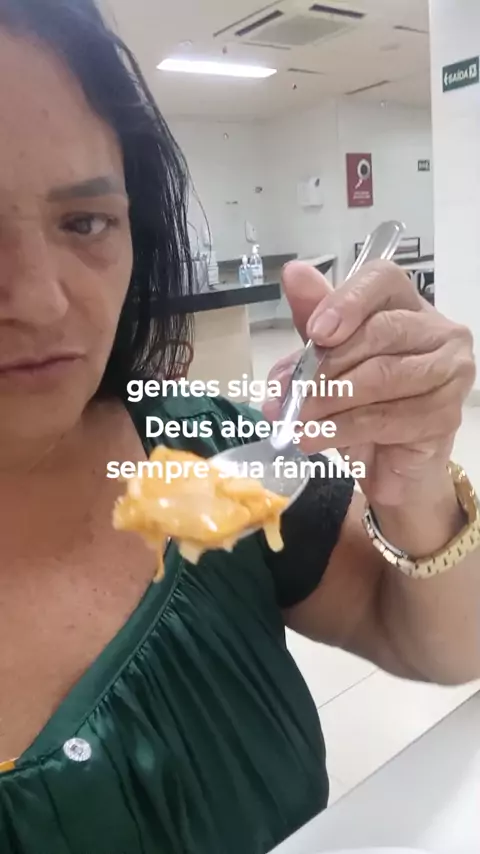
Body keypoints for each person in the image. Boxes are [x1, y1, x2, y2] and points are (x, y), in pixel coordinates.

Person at [0, 0, 478, 852]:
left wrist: (413, 483)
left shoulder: (212, 452)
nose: (40, 300)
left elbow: (449, 646)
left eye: (85, 222)